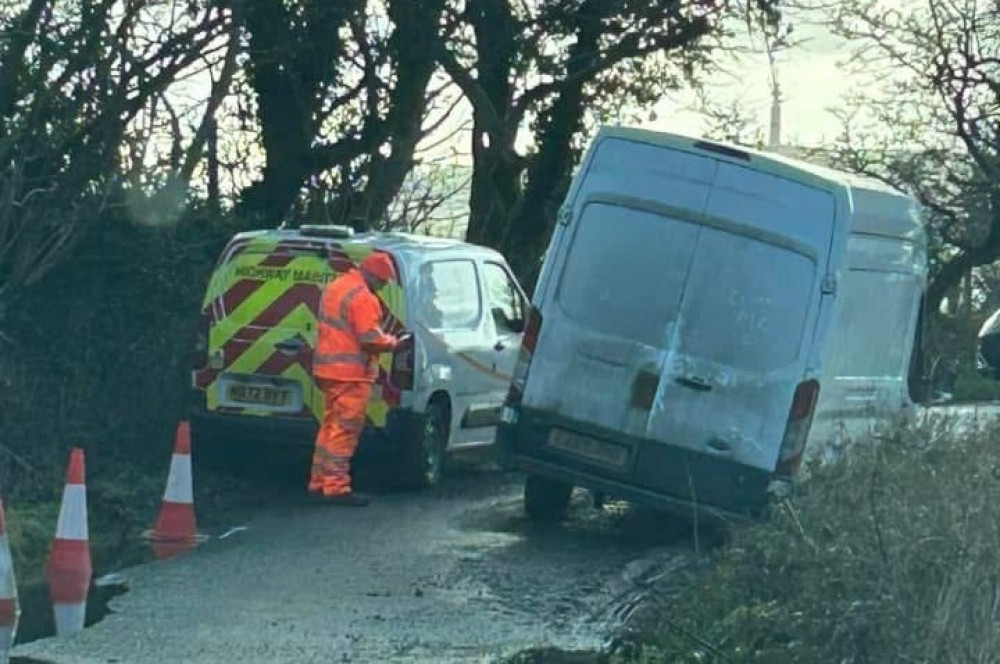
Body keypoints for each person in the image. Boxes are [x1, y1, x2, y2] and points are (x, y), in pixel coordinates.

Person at [310, 251, 406, 506]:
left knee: (330, 427)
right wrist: (394, 343)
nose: (383, 287)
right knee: (345, 431)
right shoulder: (363, 298)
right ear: (374, 275)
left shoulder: (337, 287)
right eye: (383, 282)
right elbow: (370, 338)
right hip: (351, 375)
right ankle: (336, 487)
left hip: (328, 371)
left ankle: (319, 480)